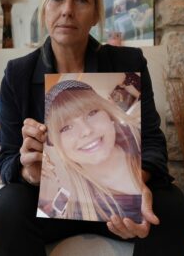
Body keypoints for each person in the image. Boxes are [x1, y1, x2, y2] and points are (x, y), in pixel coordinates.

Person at [0, 0, 184, 256]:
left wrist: (135, 187)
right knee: (6, 206)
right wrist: (28, 170)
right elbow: (6, 161)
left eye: (81, 0)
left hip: (117, 204)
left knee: (171, 206)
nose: (67, 10)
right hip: (54, 206)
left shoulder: (127, 65)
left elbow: (153, 146)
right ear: (45, 9)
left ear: (95, 13)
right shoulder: (17, 74)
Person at [38, 79, 142, 223]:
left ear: (108, 114)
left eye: (92, 113)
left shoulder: (142, 140)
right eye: (66, 128)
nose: (86, 131)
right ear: (56, 144)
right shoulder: (81, 211)